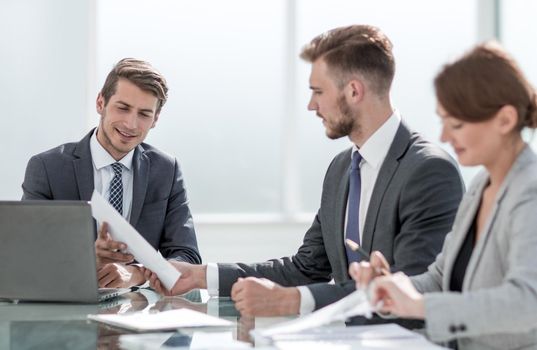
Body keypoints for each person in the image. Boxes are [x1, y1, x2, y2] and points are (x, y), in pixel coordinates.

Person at [145, 25, 463, 321]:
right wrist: (200, 275)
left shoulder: (429, 171)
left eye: (318, 91)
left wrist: (291, 301)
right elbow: (307, 268)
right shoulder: (341, 169)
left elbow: (411, 289)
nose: (311, 105)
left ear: (354, 91)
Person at [351, 42, 537, 349]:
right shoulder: (481, 185)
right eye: (442, 121)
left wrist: (419, 307)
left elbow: (527, 302)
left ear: (505, 120)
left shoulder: (529, 191)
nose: (444, 137)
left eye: (457, 124)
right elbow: (440, 278)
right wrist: (394, 289)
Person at [22, 58, 201, 288]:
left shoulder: (166, 170)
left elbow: (187, 257)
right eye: (123, 108)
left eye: (144, 114)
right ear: (100, 103)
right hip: (66, 302)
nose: (131, 124)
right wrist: (88, 258)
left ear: (155, 119)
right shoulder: (48, 168)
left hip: (139, 311)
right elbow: (28, 255)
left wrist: (136, 274)